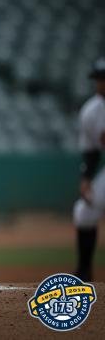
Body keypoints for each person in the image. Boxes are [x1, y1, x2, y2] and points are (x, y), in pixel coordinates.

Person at [73, 57, 105, 282]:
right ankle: (84, 273)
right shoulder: (92, 111)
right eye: (98, 79)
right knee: (84, 212)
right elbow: (91, 150)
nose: (100, 84)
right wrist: (86, 177)